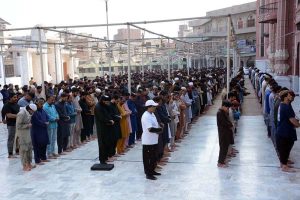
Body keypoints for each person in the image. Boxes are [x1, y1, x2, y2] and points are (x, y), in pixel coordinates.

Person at [277, 90, 300, 172]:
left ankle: (284, 162)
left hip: (284, 130)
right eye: (290, 96)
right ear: (286, 97)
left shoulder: (284, 105)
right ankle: (284, 166)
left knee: (287, 147)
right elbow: (293, 120)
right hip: (285, 132)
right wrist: (298, 124)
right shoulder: (286, 107)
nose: (292, 97)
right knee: (285, 148)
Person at [141, 100, 162, 180]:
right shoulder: (145, 116)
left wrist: (159, 127)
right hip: (148, 141)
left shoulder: (152, 114)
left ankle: (152, 170)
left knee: (153, 157)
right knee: (148, 158)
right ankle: (148, 173)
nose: (155, 108)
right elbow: (150, 129)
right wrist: (159, 130)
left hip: (154, 139)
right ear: (149, 107)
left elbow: (155, 124)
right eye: (154, 106)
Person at [94, 95, 115, 164]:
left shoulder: (105, 106)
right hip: (101, 128)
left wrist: (111, 119)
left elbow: (109, 113)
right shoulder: (98, 107)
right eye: (106, 102)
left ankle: (106, 157)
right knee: (102, 144)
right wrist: (109, 121)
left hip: (107, 127)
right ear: (103, 101)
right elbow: (101, 118)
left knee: (107, 142)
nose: (107, 103)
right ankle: (102, 159)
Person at [16, 104, 37, 171]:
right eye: (33, 111)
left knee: (29, 148)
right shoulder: (21, 114)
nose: (33, 113)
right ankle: (24, 165)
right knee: (24, 149)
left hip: (27, 133)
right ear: (30, 109)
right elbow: (18, 126)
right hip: (22, 134)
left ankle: (29, 163)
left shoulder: (28, 113)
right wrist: (27, 125)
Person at [31, 99, 50, 165]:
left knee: (44, 144)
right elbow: (36, 121)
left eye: (42, 104)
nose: (42, 106)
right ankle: (37, 160)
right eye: (40, 104)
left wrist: (47, 121)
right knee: (37, 146)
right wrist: (44, 123)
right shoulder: (34, 112)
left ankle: (43, 157)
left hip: (44, 130)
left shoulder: (43, 110)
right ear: (37, 104)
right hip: (37, 131)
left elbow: (47, 117)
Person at [2, 93, 20, 158]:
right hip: (11, 124)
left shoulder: (17, 105)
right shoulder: (7, 105)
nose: (16, 98)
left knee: (18, 138)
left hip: (18, 123)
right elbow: (8, 115)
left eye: (16, 97)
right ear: (10, 98)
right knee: (11, 138)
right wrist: (3, 118)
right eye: (14, 97)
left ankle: (17, 151)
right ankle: (10, 154)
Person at [216, 100, 233, 168]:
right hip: (223, 132)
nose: (227, 109)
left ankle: (222, 160)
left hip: (226, 132)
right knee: (223, 147)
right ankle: (220, 162)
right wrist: (230, 125)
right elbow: (224, 123)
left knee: (225, 147)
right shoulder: (219, 113)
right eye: (227, 108)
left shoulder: (223, 112)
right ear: (223, 106)